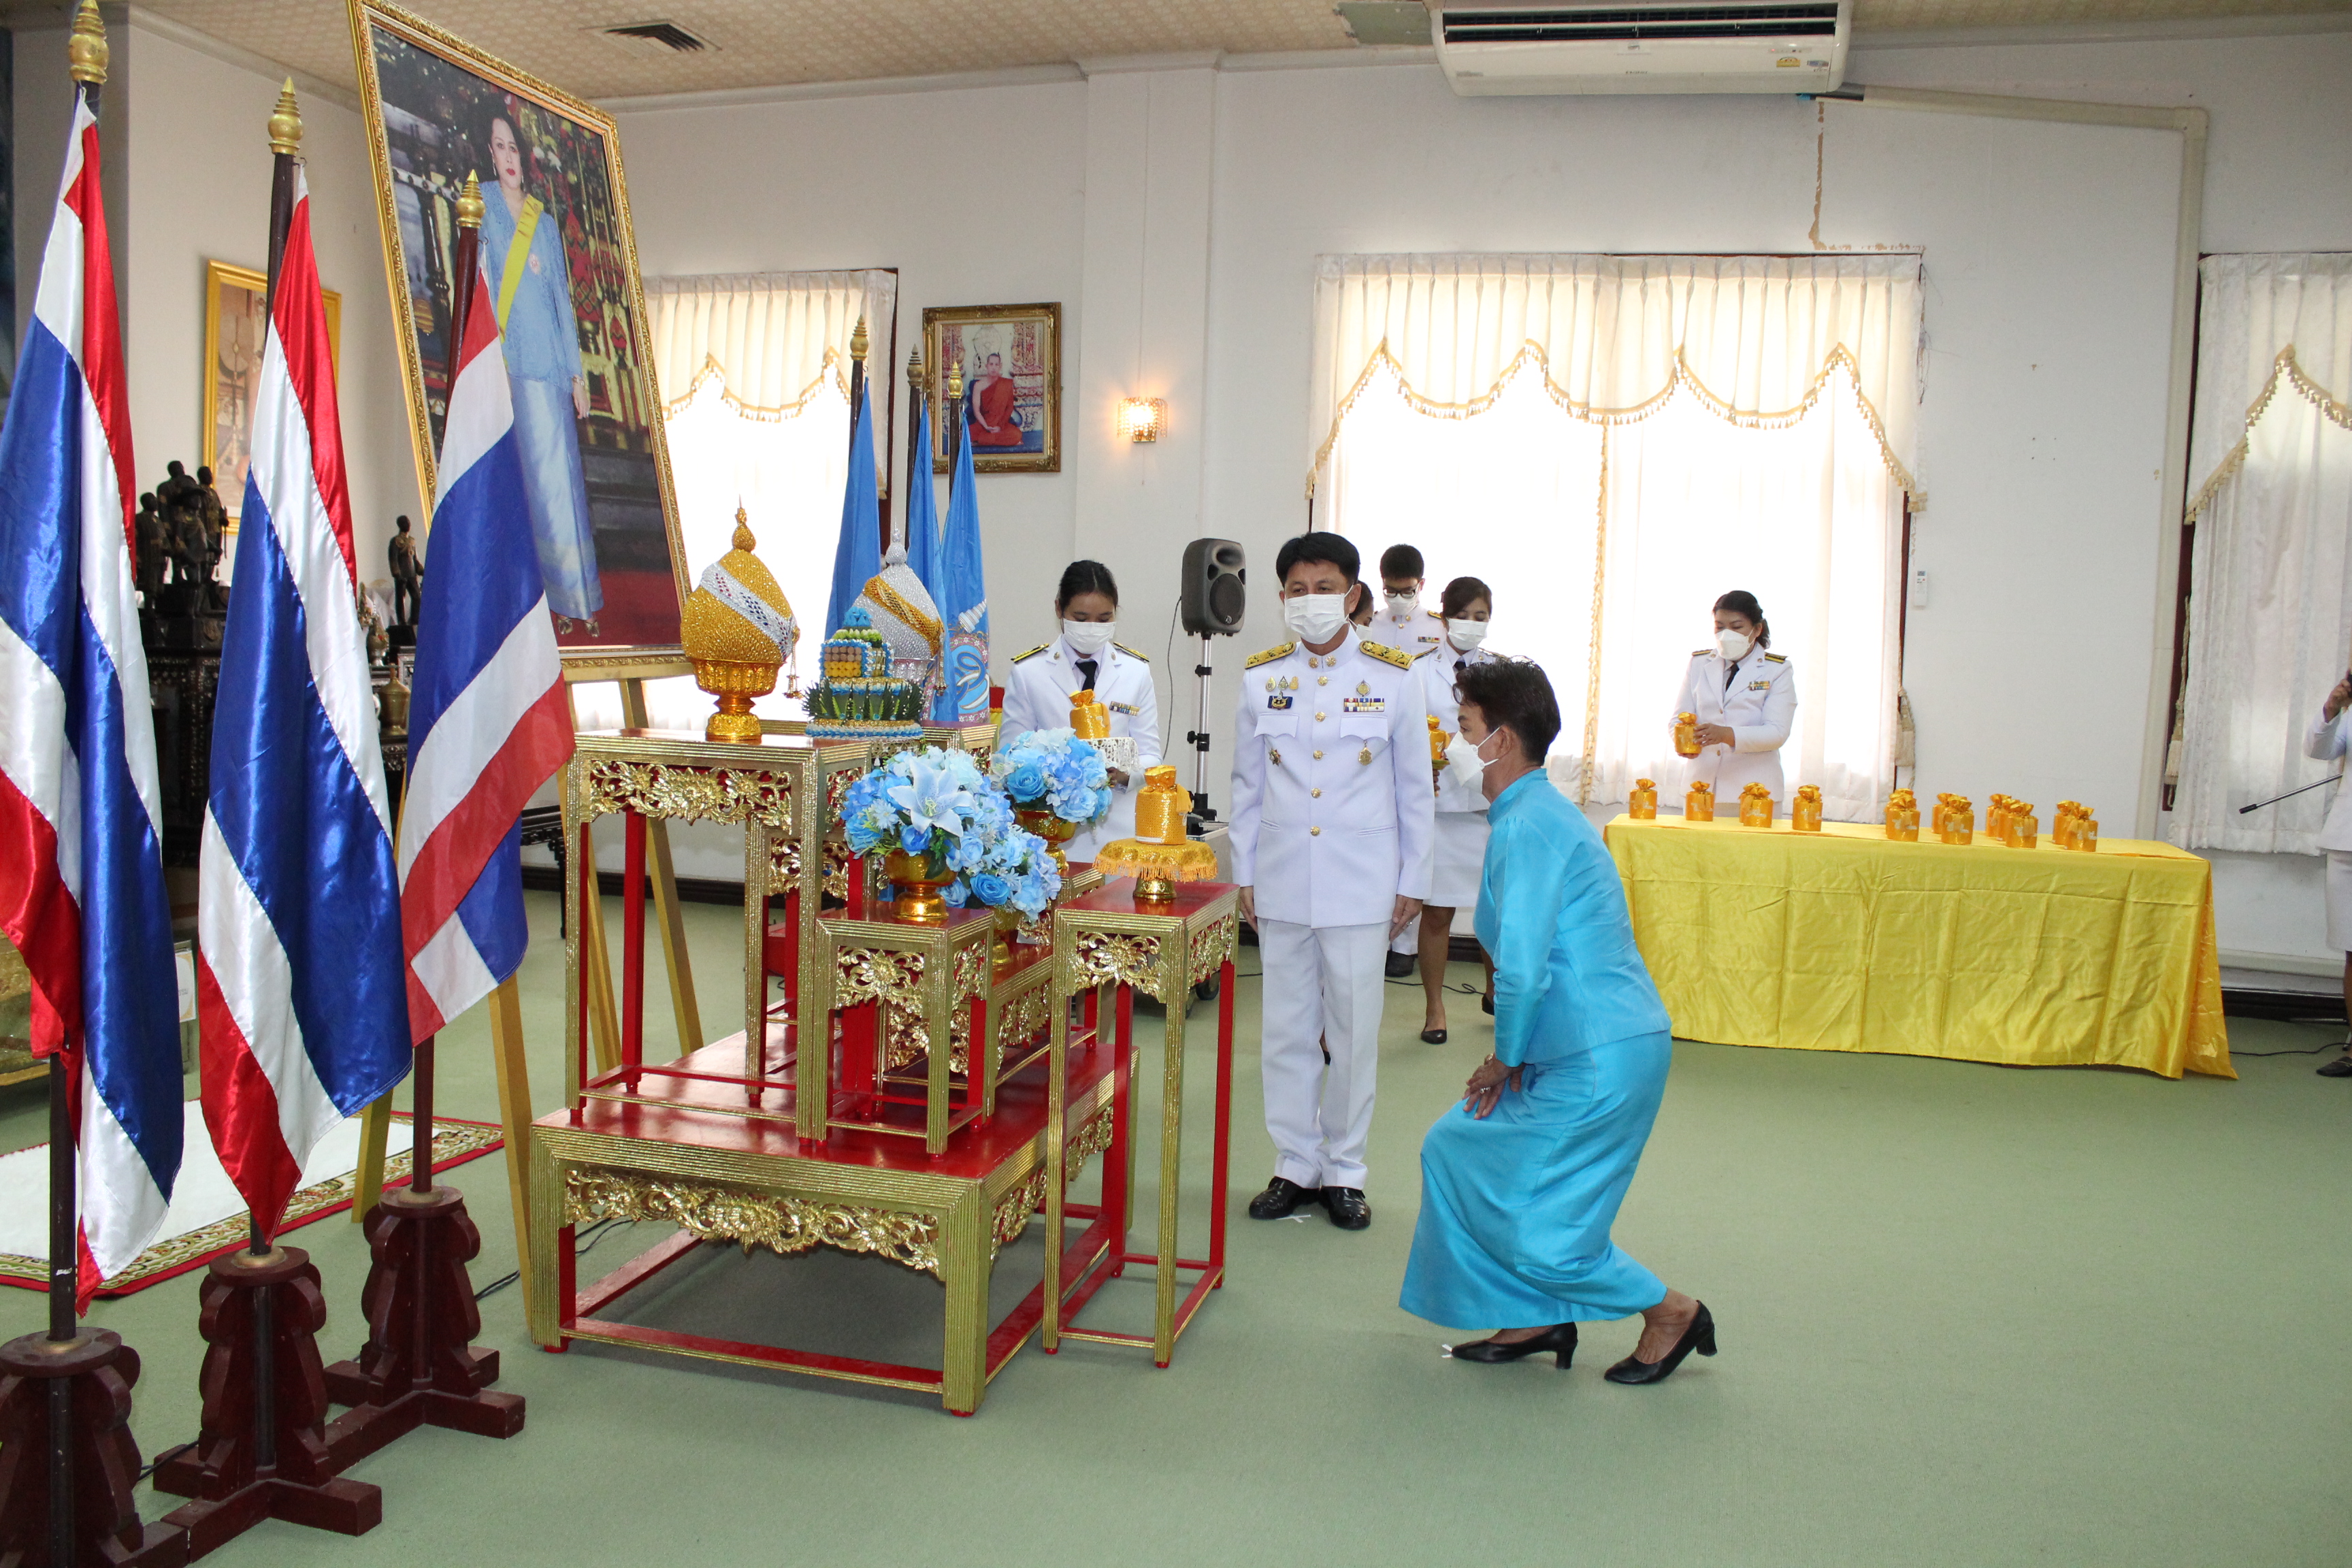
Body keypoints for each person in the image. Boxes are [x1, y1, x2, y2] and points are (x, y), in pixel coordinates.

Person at [1401, 657, 1716, 1384]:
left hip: (1600, 1053)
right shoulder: (1524, 815)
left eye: (1465, 728)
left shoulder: (1532, 826)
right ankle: (1536, 1314)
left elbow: (1526, 966)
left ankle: (1669, 1310)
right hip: (1571, 1046)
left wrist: (1506, 1058)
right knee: (1454, 1146)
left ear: (1501, 742)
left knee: (1546, 1231)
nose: (1453, 742)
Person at [1230, 532, 1434, 1230]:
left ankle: (1345, 1170)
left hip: (1361, 883)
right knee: (1286, 1030)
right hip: (1284, 879)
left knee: (1351, 1032)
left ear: (1352, 595)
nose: (1311, 600)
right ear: (1281, 597)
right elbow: (1247, 788)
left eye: (1325, 588)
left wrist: (1413, 878)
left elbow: (1416, 791)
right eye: (1297, 589)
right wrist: (1245, 873)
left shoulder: (1394, 677)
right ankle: (1295, 1163)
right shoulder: (1261, 679)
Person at [479, 105, 604, 633]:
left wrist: (577, 375)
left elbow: (561, 300)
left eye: (514, 147)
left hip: (552, 365)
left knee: (565, 482)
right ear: (490, 153)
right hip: (515, 362)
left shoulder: (544, 223)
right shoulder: (482, 208)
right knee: (535, 484)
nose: (508, 157)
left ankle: (578, 595)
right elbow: (482, 284)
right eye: (499, 147)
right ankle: (546, 598)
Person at [1000, 560, 1161, 862]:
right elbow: (1010, 757)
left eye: (1104, 619)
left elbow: (1151, 754)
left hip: (1119, 834)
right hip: (1052, 836)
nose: (1092, 628)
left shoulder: (1135, 672)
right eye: (1081, 617)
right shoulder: (1029, 672)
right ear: (1059, 609)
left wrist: (1125, 775)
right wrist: (1056, 775)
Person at [1414, 576, 1501, 1043]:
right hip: (1440, 804)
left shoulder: (1499, 670)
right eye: (1463, 615)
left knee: (1494, 909)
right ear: (1444, 615)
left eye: (1480, 617)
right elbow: (1407, 733)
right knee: (1438, 912)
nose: (1471, 625)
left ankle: (1495, 991)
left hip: (1488, 804)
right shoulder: (1419, 670)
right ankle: (1434, 1009)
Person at [1669, 589, 1795, 802]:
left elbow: (1777, 732)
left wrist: (1726, 734)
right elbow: (1678, 719)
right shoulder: (1700, 663)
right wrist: (1682, 741)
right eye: (1720, 627)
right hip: (1701, 787)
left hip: (1756, 792)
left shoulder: (1777, 669)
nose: (1726, 635)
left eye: (1737, 627)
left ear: (1757, 629)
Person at [2305, 668, 2352, 1076]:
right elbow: (2318, 750)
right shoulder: (2350, 712)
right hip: (2347, 843)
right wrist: (2331, 708)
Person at [967, 350, 1024, 448]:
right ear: (987, 366)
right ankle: (992, 440)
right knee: (966, 434)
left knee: (1016, 434)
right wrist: (986, 426)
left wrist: (1000, 427)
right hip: (983, 424)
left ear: (1000, 366)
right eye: (991, 364)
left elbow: (1009, 408)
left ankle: (981, 442)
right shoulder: (979, 385)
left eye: (996, 365)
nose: (994, 367)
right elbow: (976, 410)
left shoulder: (1006, 384)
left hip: (1001, 426)